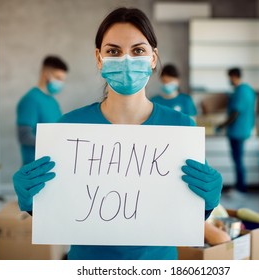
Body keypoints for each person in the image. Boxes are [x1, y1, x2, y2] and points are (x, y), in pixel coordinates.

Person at [12, 7, 223, 260]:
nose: (126, 60)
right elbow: (61, 211)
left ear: (153, 58)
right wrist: (35, 202)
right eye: (113, 51)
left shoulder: (181, 128)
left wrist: (207, 203)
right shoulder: (69, 128)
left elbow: (186, 211)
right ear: (99, 58)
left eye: (138, 51)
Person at [16, 55, 68, 165]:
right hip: (35, 169)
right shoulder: (30, 100)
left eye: (63, 80)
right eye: (58, 78)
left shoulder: (53, 102)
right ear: (46, 74)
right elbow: (24, 136)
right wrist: (51, 143)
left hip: (52, 165)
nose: (60, 83)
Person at [217, 68, 256, 193]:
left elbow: (235, 114)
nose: (229, 80)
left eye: (230, 77)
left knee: (238, 160)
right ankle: (240, 187)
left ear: (234, 76)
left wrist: (221, 125)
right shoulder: (247, 90)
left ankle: (241, 188)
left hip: (237, 131)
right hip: (243, 129)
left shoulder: (241, 91)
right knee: (238, 159)